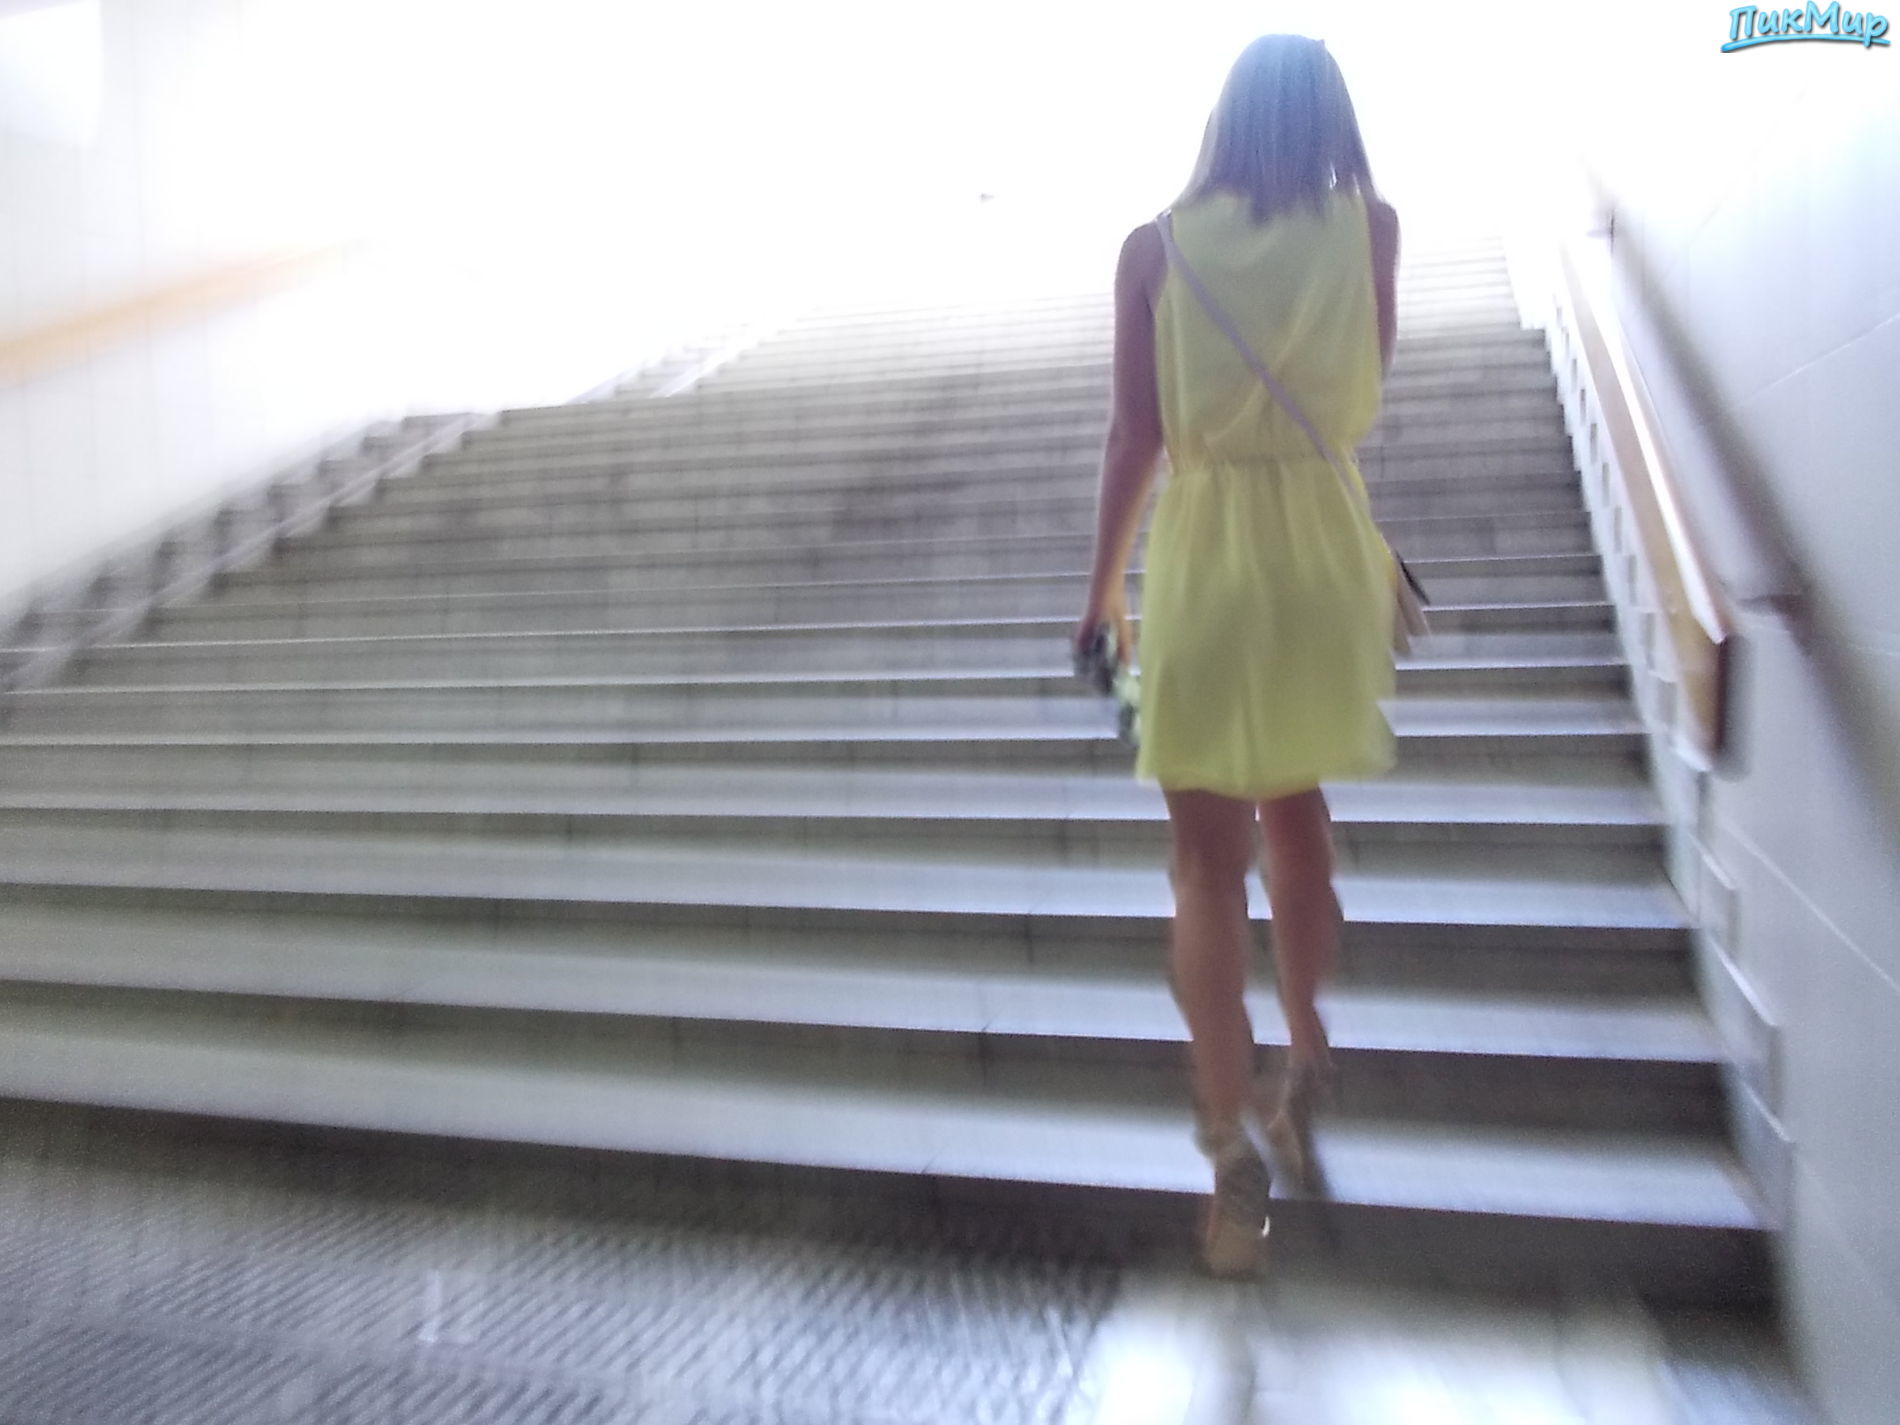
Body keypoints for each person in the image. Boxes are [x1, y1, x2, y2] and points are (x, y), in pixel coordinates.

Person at [1073, 33, 1402, 1277]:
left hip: (1206, 558)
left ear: (1219, 119)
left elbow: (1134, 437)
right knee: (1298, 817)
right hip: (1324, 555)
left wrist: (1101, 593)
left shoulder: (1152, 250)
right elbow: (1362, 392)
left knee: (1204, 868)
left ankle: (1228, 1168)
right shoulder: (1371, 232)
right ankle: (1303, 1060)